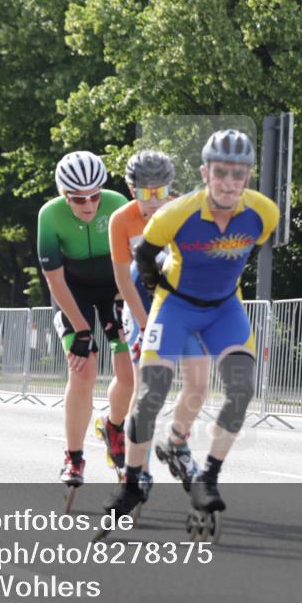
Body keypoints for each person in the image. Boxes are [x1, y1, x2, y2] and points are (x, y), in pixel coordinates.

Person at [105, 129, 279, 517]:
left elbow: (248, 251)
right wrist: (153, 303)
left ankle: (207, 476)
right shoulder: (173, 214)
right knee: (151, 393)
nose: (229, 183)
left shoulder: (264, 212)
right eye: (221, 172)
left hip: (223, 308)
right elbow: (142, 264)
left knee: (240, 389)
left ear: (248, 176)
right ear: (204, 172)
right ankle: (132, 482)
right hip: (176, 306)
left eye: (238, 174)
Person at [108, 150, 211, 494]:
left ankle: (177, 445)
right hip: (139, 303)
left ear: (171, 188)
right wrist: (143, 326)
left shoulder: (186, 212)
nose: (152, 201)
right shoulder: (121, 220)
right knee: (147, 391)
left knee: (198, 384)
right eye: (143, 192)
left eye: (160, 192)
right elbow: (124, 281)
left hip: (179, 303)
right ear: (130, 188)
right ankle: (137, 472)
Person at [36, 151, 133, 488]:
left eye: (94, 195)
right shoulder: (49, 215)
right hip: (72, 292)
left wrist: (123, 302)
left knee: (128, 370)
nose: (89, 204)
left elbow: (133, 262)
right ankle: (73, 457)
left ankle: (113, 427)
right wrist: (81, 330)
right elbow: (55, 280)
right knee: (84, 368)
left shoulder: (117, 202)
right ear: (65, 195)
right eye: (79, 199)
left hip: (114, 289)